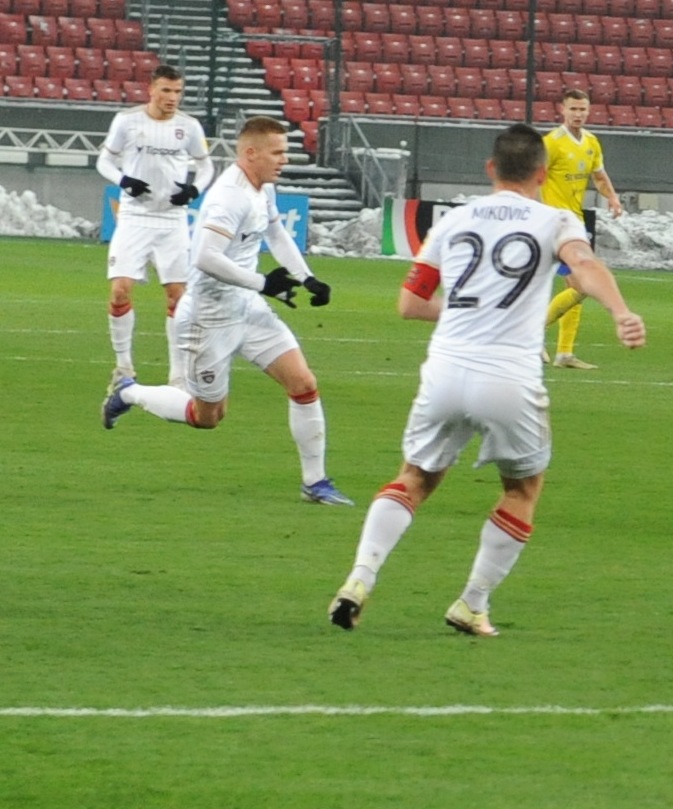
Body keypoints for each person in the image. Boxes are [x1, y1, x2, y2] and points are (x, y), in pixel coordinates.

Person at [327, 123, 645, 636]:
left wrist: (466, 312)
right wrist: (620, 311)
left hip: (446, 369)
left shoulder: (454, 220)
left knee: (414, 477)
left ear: (490, 169)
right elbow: (584, 267)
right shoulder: (556, 219)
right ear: (542, 173)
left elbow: (409, 304)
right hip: (508, 377)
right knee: (522, 488)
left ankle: (359, 579)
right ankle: (472, 603)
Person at [101, 115, 353, 506]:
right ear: (250, 153)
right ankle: (129, 392)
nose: (284, 159)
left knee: (303, 383)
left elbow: (275, 233)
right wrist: (262, 282)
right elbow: (205, 257)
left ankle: (315, 482)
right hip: (208, 318)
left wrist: (307, 278)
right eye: (277, 153)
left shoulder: (263, 189)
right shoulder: (228, 197)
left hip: (247, 308)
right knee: (208, 417)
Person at [96, 64, 216, 389]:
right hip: (134, 217)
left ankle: (177, 375)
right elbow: (104, 161)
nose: (172, 97)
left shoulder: (189, 127)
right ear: (151, 90)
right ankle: (124, 367)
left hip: (172, 220)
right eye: (166, 90)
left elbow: (206, 167)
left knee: (178, 296)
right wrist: (124, 181)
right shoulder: (127, 121)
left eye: (178, 92)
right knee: (120, 290)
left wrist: (194, 190)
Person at [540, 88, 625, 370]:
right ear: (562, 110)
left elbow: (598, 176)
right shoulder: (551, 143)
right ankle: (532, 333)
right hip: (554, 223)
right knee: (581, 285)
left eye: (582, 109)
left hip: (574, 222)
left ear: (589, 111)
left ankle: (564, 353)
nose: (578, 114)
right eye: (573, 109)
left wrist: (612, 197)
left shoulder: (591, 142)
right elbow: (533, 178)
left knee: (574, 287)